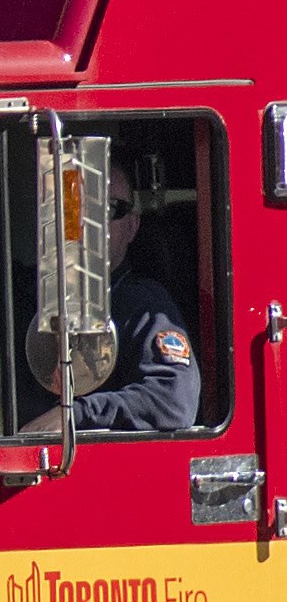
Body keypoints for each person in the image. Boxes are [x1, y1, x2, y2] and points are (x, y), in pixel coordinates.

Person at [75, 183, 201, 433]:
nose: (93, 221)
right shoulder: (18, 295)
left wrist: (72, 415)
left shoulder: (145, 305)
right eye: (80, 206)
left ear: (133, 226)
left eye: (111, 209)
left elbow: (173, 401)